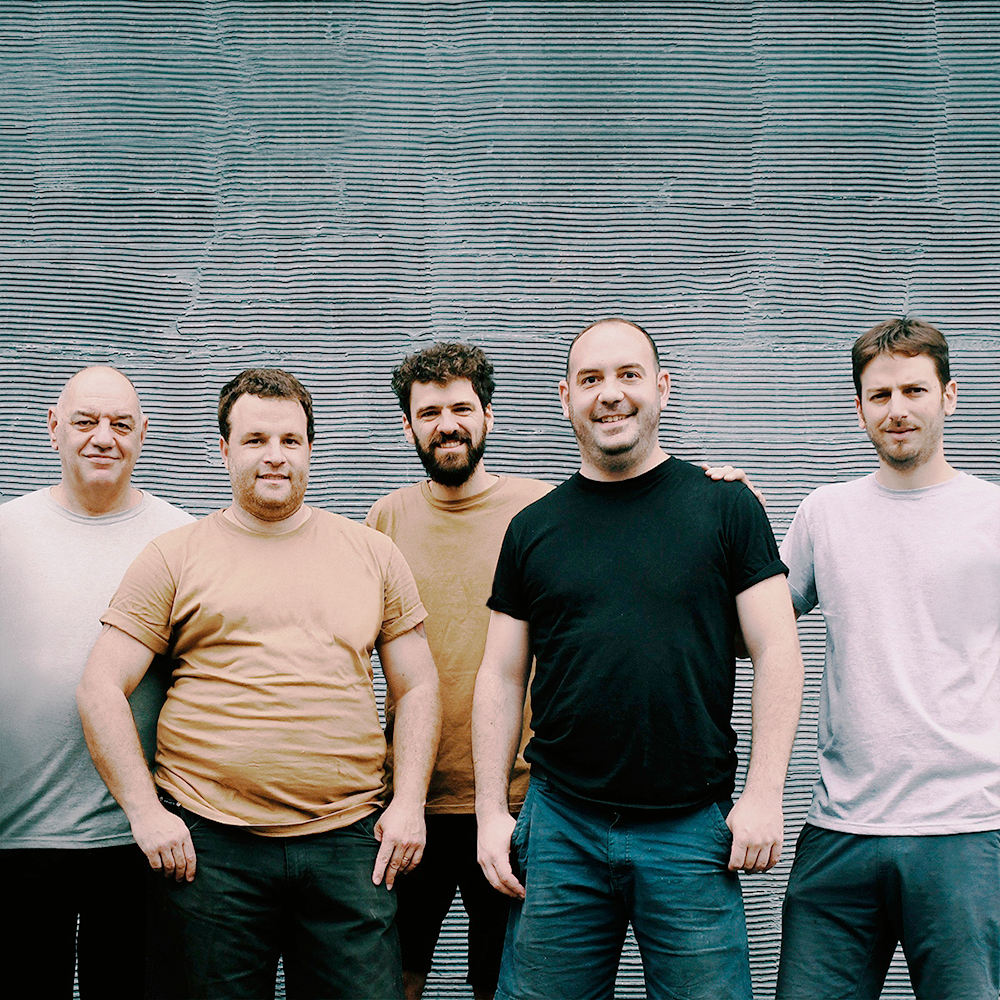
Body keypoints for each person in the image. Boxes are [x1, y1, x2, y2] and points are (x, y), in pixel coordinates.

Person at [76, 368, 442, 1000]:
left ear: (309, 448)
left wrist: (407, 803)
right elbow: (101, 686)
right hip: (208, 850)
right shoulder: (174, 555)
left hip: (348, 847)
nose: (275, 455)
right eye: (255, 440)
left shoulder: (372, 553)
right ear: (224, 449)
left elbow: (417, 686)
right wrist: (145, 814)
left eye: (290, 440)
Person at [472, 318, 804, 1000]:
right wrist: (489, 814)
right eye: (591, 380)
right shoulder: (533, 528)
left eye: (628, 375)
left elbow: (778, 651)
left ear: (662, 388)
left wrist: (766, 795)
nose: (610, 395)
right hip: (561, 824)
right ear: (565, 397)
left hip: (689, 829)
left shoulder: (725, 506)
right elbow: (500, 675)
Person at [775, 317, 1000, 1000]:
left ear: (949, 396)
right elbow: (753, 627)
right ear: (859, 408)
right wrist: (724, 518)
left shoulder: (992, 514)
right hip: (841, 828)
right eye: (880, 395)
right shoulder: (824, 513)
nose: (897, 410)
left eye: (914, 390)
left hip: (966, 829)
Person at [366, 343, 552, 1000]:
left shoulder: (542, 509)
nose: (448, 423)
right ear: (408, 426)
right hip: (409, 803)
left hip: (520, 802)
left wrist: (717, 483)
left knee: (502, 983)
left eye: (462, 408)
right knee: (394, 978)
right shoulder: (384, 521)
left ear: (489, 416)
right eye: (431, 411)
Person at [0, 366, 193, 999]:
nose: (102, 437)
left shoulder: (182, 537)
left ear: (144, 433)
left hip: (140, 838)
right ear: (53, 429)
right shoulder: (7, 533)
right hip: (18, 835)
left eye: (120, 423)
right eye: (85, 422)